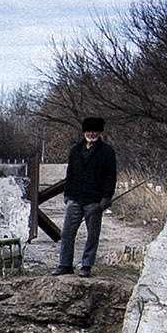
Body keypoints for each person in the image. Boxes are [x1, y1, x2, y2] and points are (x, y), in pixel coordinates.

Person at [55, 117, 119, 274]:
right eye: (89, 131)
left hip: (95, 201)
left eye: (95, 131)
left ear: (100, 132)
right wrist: (67, 195)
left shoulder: (107, 152)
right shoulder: (75, 150)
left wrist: (106, 198)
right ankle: (65, 265)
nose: (92, 133)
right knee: (67, 233)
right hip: (74, 198)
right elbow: (69, 174)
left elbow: (111, 177)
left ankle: (86, 266)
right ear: (84, 132)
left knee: (93, 235)